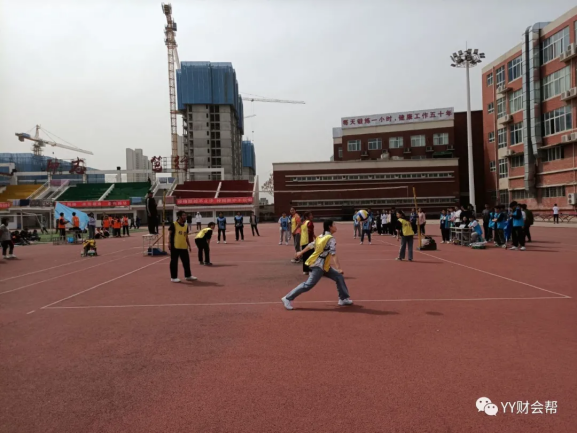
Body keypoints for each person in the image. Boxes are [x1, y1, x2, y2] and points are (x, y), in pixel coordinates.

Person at [281, 219, 353, 310]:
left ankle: (343, 298)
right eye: (334, 224)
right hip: (319, 266)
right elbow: (333, 254)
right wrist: (338, 268)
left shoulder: (321, 236)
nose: (335, 226)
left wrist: (300, 252)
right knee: (308, 285)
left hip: (322, 265)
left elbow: (311, 245)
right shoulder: (330, 239)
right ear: (330, 227)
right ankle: (288, 298)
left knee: (339, 277)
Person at [168, 210, 197, 283]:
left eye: (185, 215)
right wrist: (169, 242)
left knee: (186, 261)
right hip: (175, 246)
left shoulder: (185, 226)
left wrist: (189, 245)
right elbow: (169, 234)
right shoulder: (174, 224)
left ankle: (188, 276)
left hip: (183, 246)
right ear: (179, 216)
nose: (185, 217)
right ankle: (173, 277)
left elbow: (186, 236)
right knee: (174, 262)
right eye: (183, 215)